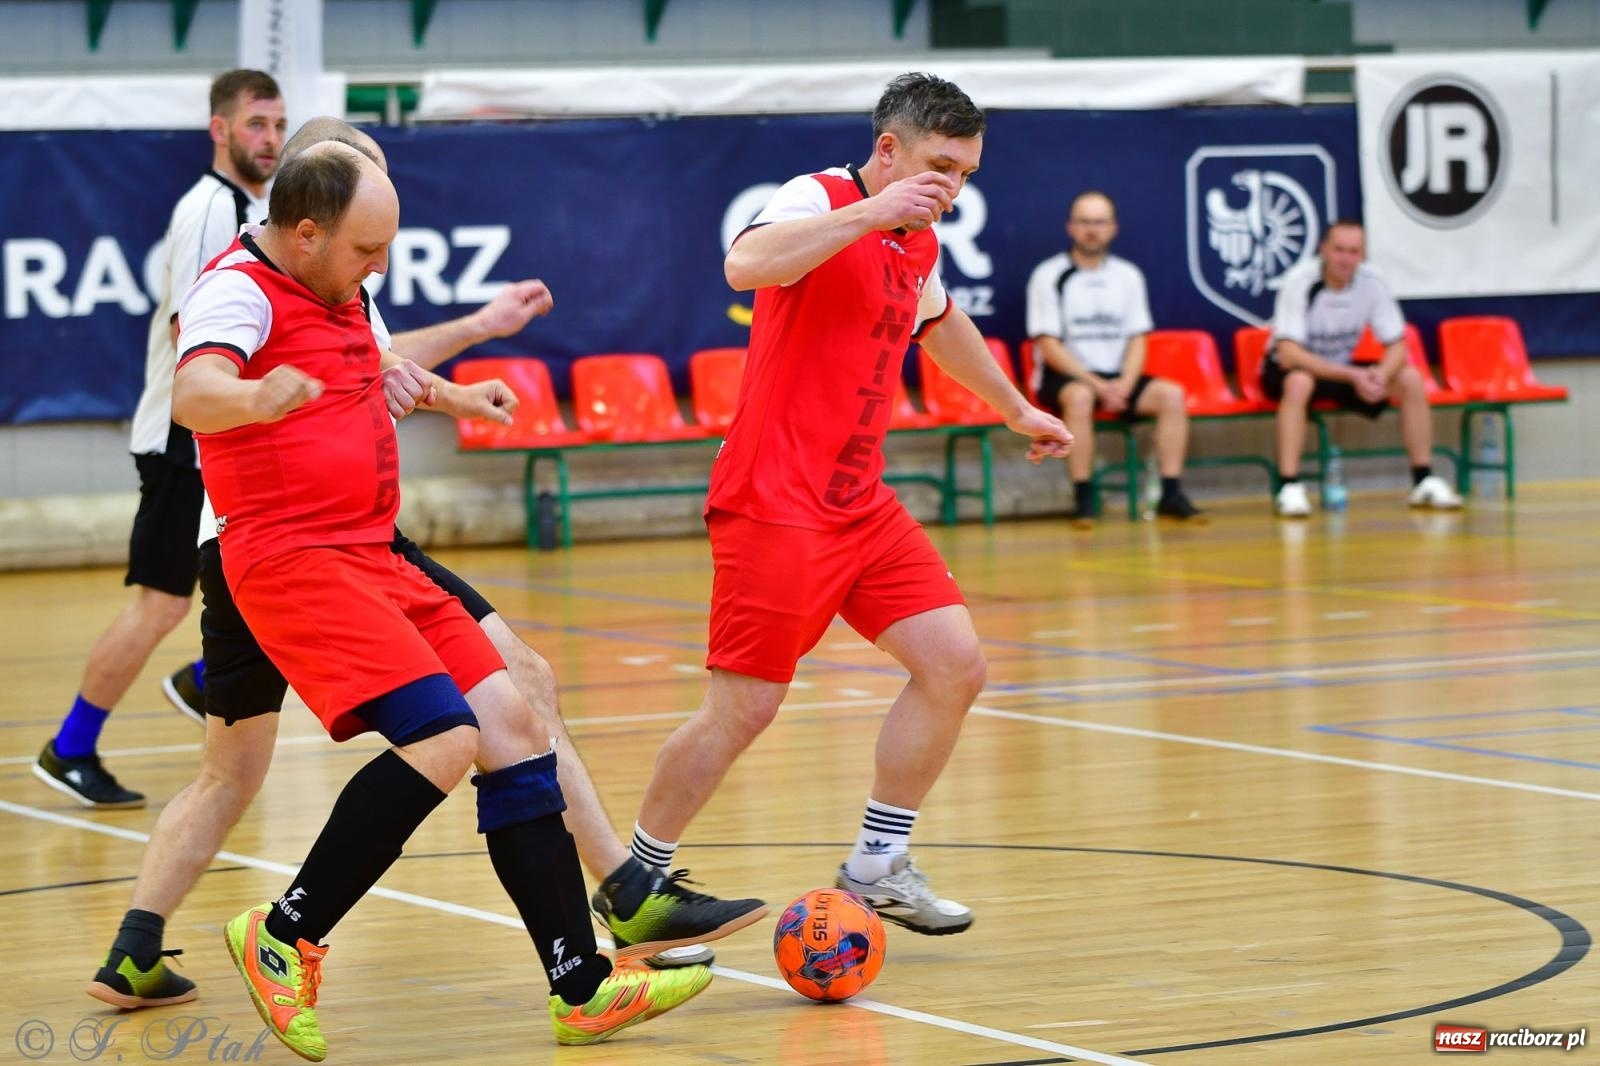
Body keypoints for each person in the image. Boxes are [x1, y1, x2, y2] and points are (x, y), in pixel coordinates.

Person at [88, 120, 742, 1030]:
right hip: (291, 556)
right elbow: (196, 389)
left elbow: (376, 363)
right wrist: (252, 397)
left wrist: (454, 391)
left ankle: (580, 985)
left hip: (369, 549)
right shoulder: (239, 293)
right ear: (307, 230)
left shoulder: (339, 285)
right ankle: (287, 934)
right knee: (440, 739)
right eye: (367, 249)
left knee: (511, 720)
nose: (379, 269)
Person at [591, 73, 1071, 950]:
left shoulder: (916, 240)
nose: (951, 188)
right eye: (939, 166)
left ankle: (879, 866)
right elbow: (746, 263)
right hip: (774, 502)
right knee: (742, 710)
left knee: (954, 666)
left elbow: (943, 322)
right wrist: (869, 214)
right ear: (888, 150)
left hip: (860, 503)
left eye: (965, 174)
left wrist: (1013, 405)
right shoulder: (823, 197)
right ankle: (637, 886)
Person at [34, 70, 285, 808]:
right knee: (161, 603)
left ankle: (201, 679)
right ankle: (71, 746)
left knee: (252, 579)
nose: (269, 139)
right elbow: (193, 333)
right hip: (185, 437)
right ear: (221, 130)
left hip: (207, 432)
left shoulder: (245, 208)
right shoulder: (212, 211)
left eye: (277, 125)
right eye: (255, 125)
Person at [1262, 219, 1463, 517]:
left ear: (1363, 255)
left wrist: (1379, 375)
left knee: (1409, 378)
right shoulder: (1300, 282)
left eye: (1353, 251)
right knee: (1299, 382)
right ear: (1324, 251)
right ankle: (1288, 486)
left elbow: (1398, 345)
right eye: (1339, 250)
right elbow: (1289, 354)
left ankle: (1424, 479)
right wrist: (1354, 376)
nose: (1345, 259)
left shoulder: (1373, 283)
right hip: (1289, 368)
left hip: (1343, 369)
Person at [1024, 190, 1201, 526]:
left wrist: (1124, 384)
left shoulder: (1128, 276)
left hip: (1119, 377)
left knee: (1172, 396)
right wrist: (1097, 385)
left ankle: (1171, 492)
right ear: (1071, 227)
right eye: (1085, 222)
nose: (1092, 230)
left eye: (1100, 222)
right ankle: (1084, 496)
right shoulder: (1049, 276)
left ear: (1113, 228)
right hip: (1066, 376)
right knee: (1080, 396)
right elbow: (1048, 344)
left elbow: (1138, 338)